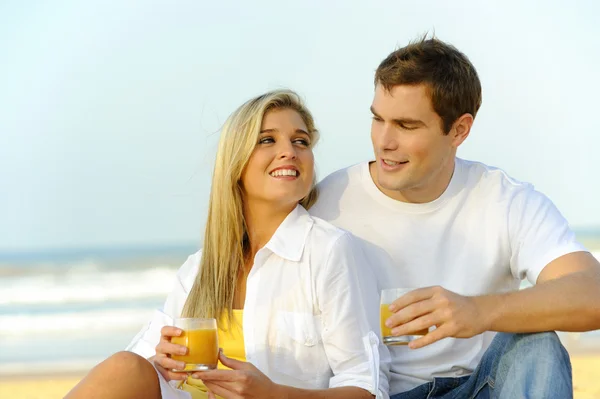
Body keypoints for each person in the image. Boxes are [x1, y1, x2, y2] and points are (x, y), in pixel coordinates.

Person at [309, 36, 600, 399]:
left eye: (406, 125)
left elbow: (593, 293)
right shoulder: (327, 203)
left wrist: (475, 311)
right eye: (378, 119)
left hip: (479, 386)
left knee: (538, 345)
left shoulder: (504, 199)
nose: (384, 140)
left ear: (459, 129)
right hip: (376, 393)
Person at [65, 90, 389, 399]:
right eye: (267, 140)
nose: (289, 150)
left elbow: (367, 389)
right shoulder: (199, 267)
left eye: (300, 141)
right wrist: (160, 362)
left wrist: (275, 395)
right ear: (236, 162)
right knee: (127, 367)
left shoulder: (329, 251)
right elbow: (137, 366)